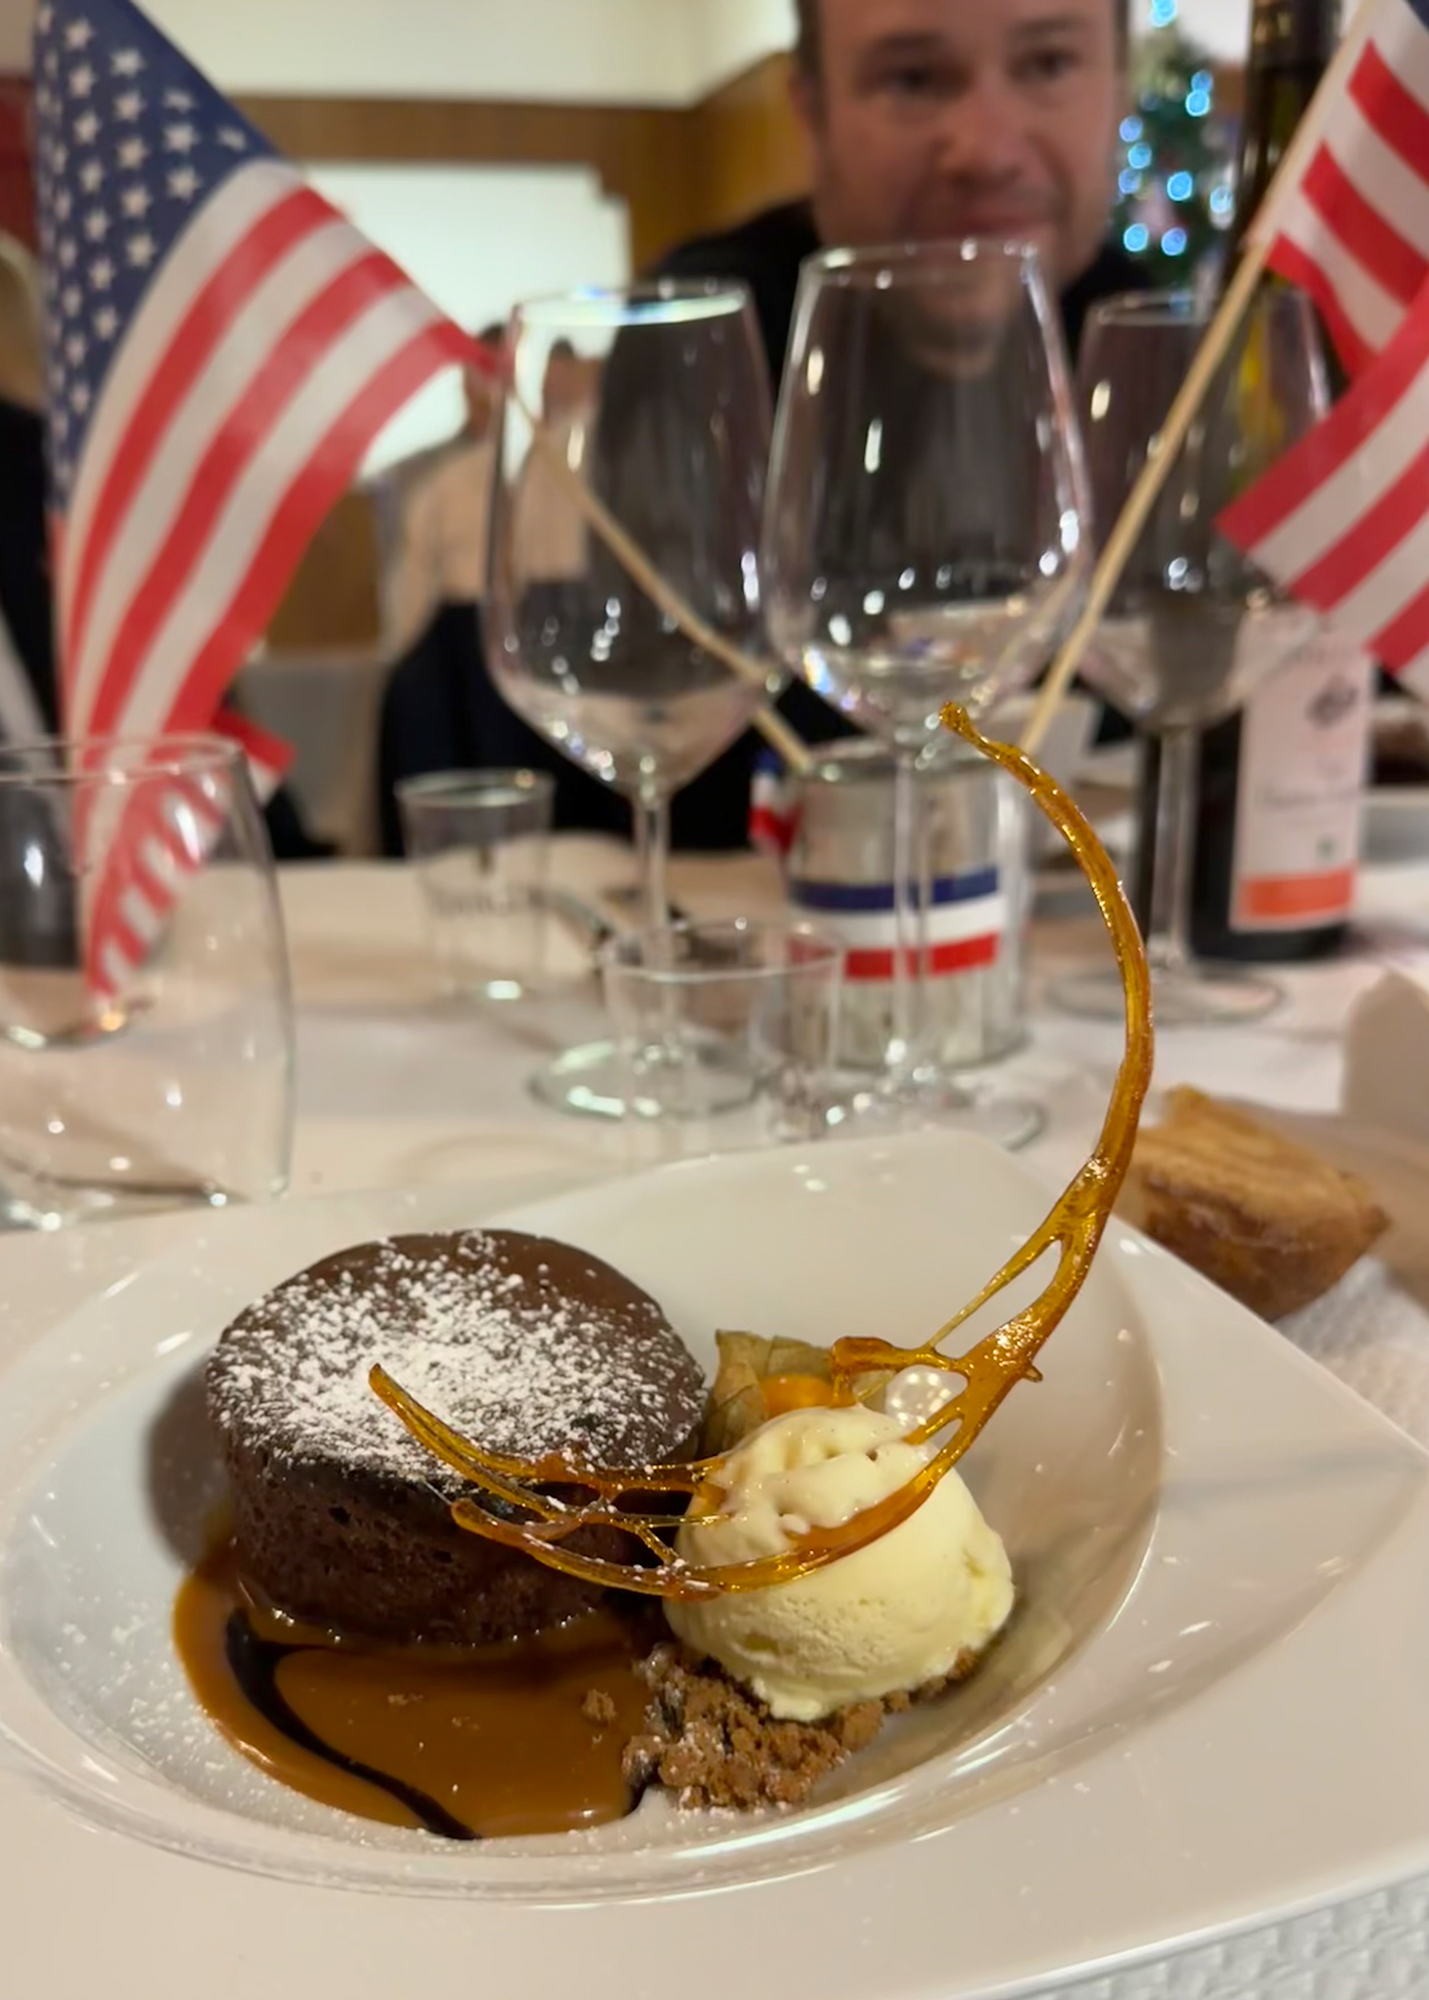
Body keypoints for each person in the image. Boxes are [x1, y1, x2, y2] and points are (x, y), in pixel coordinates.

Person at [652, 0, 1146, 786]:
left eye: (1048, 64)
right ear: (811, 113)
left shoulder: (1154, 342)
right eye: (913, 79)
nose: (985, 151)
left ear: (1121, 86)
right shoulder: (698, 338)